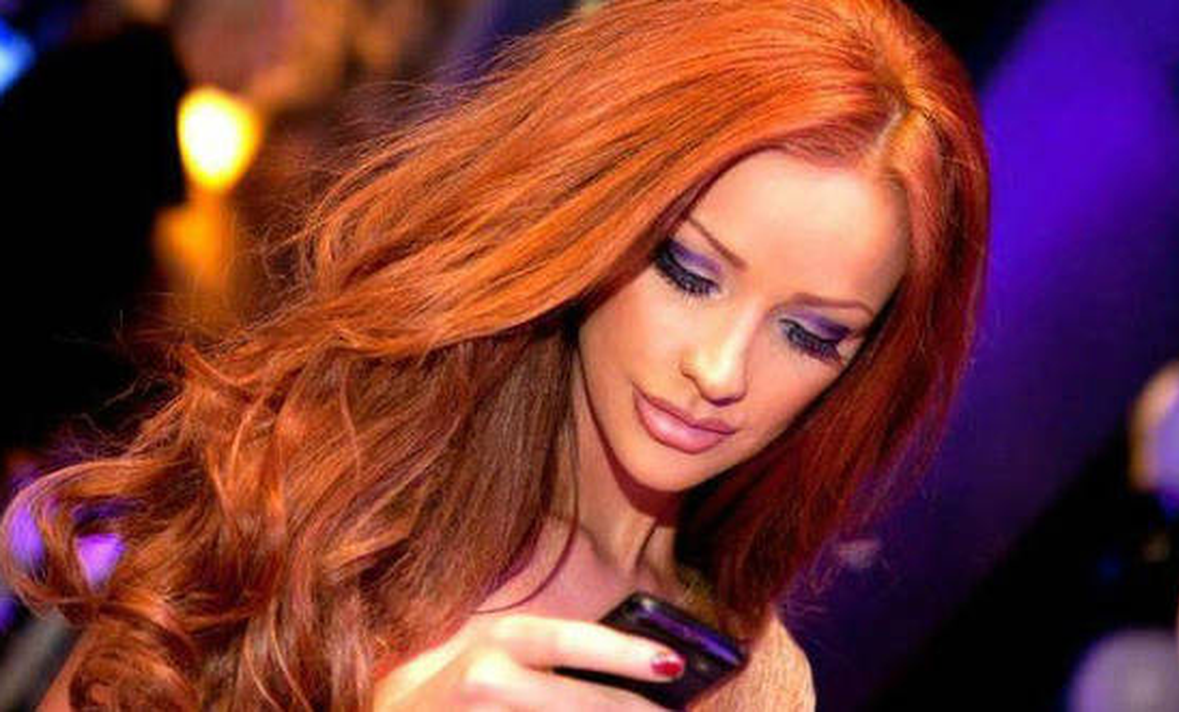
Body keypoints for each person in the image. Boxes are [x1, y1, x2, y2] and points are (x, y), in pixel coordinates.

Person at [1, 0, 990, 708]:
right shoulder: (331, 469)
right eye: (688, 270)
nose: (722, 371)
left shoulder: (755, 688)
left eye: (811, 334)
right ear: (592, 213)